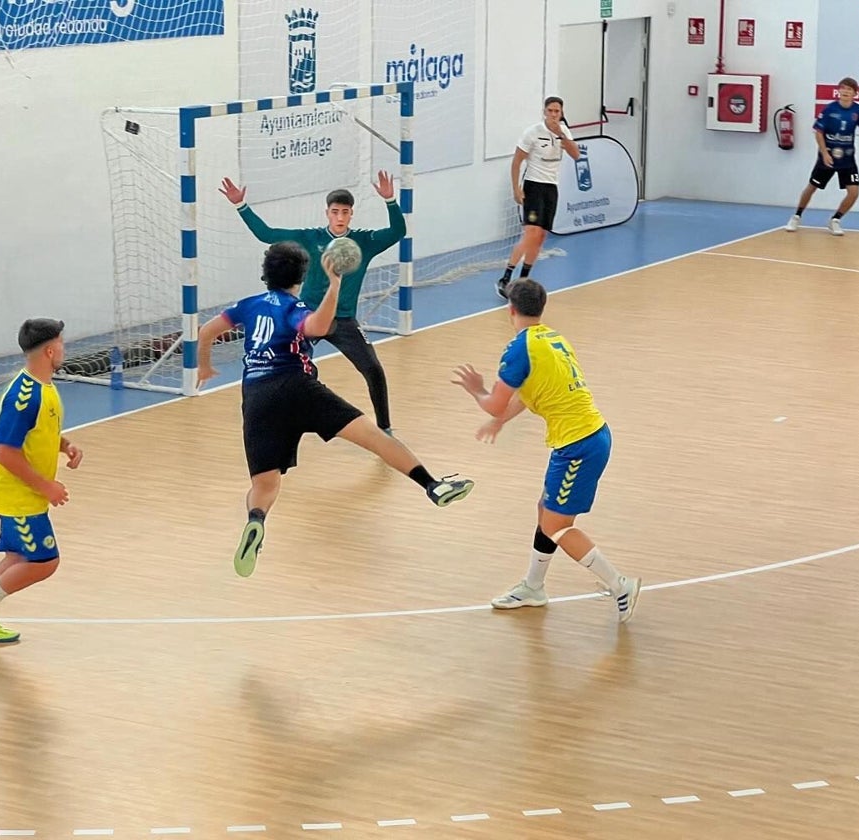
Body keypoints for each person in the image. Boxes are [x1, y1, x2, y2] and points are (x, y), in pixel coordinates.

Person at [198, 241, 474, 578]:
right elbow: (315, 327)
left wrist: (204, 367)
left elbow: (207, 331)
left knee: (265, 484)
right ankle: (433, 485)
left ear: (266, 274)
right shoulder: (292, 306)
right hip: (297, 387)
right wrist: (335, 284)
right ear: (301, 275)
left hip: (255, 397)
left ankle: (256, 521)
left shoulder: (248, 305)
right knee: (375, 437)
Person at [452, 278, 641, 624]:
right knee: (545, 510)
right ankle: (533, 587)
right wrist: (502, 422)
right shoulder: (554, 338)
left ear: (510, 309)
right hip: (587, 435)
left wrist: (478, 391)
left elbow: (494, 403)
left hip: (578, 446)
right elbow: (528, 394)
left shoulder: (519, 349)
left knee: (557, 526)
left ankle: (619, 584)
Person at [219, 172, 404, 434]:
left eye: (345, 212)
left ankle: (384, 429)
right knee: (291, 370)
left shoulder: (364, 242)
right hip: (306, 318)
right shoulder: (309, 238)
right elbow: (266, 234)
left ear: (352, 214)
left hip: (342, 320)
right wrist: (241, 205)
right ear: (327, 213)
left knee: (373, 369)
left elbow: (398, 231)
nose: (340, 217)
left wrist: (390, 201)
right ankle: (284, 421)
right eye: (335, 211)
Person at [0, 319, 83, 647]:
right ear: (51, 350)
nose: (64, 349)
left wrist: (64, 444)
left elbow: (39, 432)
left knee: (17, 557)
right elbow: (6, 453)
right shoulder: (23, 396)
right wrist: (47, 486)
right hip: (18, 495)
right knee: (44, 561)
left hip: (23, 495)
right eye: (63, 344)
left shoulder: (45, 387)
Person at [496, 97, 581, 299]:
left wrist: (561, 135)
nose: (553, 114)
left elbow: (576, 155)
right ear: (544, 111)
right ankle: (506, 277)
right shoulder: (532, 133)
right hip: (533, 186)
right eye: (550, 110)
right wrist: (516, 188)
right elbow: (517, 162)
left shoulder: (564, 132)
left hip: (551, 189)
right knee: (531, 233)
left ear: (561, 113)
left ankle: (524, 279)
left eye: (557, 111)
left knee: (541, 236)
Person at [785, 77, 859, 236]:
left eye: (849, 89)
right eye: (843, 88)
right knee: (811, 187)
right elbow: (819, 132)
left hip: (847, 160)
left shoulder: (858, 111)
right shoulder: (829, 109)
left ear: (855, 93)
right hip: (827, 158)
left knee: (854, 193)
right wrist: (824, 153)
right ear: (838, 90)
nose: (845, 91)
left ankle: (835, 220)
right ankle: (797, 216)